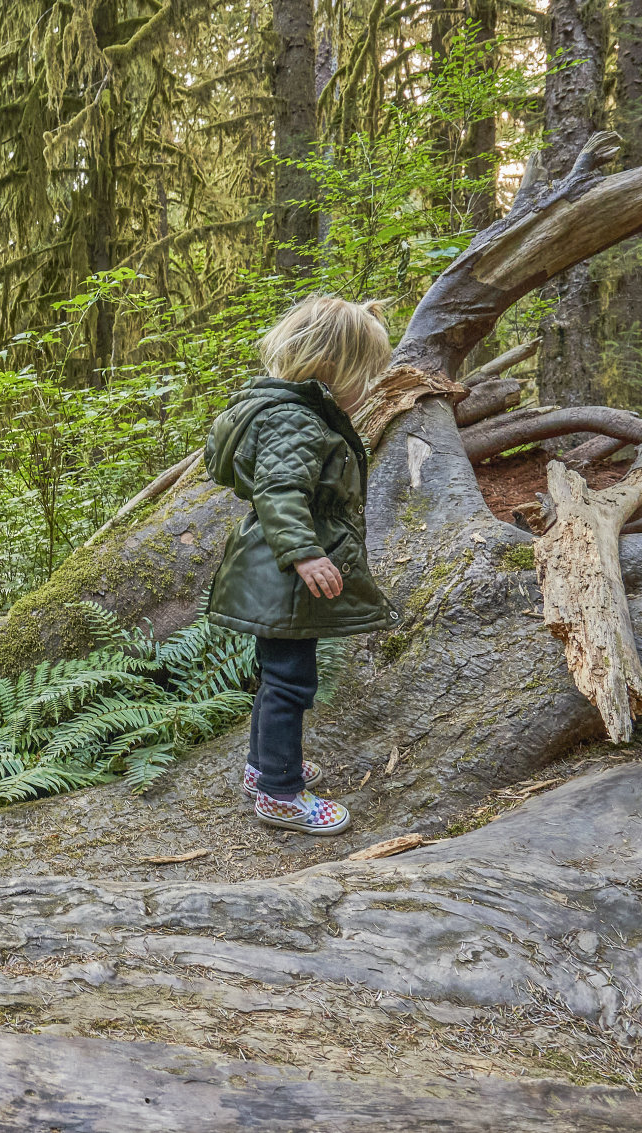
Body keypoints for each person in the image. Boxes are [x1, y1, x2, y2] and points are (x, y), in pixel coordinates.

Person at [203, 295, 399, 835]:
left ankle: (263, 769)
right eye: (366, 376)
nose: (368, 390)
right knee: (291, 683)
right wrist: (305, 552)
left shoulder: (286, 410)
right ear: (333, 368)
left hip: (276, 571)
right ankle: (281, 796)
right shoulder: (295, 418)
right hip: (286, 575)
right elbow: (280, 491)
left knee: (278, 677)